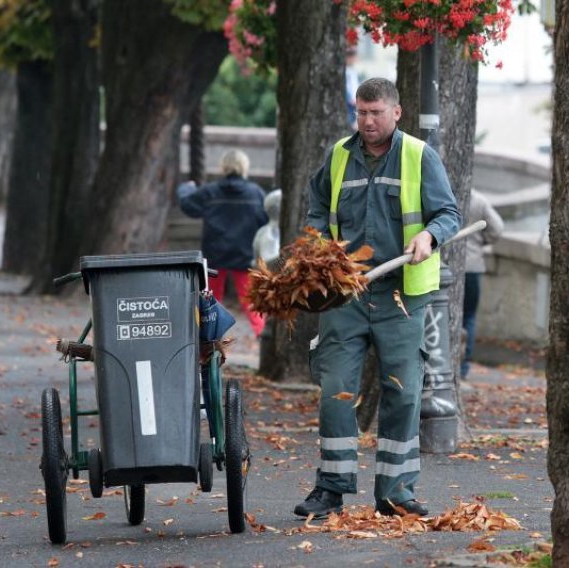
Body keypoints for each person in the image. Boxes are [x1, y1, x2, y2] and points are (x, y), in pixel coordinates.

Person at [295, 78, 461, 519]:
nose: (367, 121)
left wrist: (429, 234)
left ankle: (396, 492)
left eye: (376, 113)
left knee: (403, 394)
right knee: (336, 390)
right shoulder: (338, 156)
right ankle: (330, 488)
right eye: (361, 112)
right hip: (344, 297)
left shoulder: (418, 156)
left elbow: (449, 213)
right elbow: (317, 210)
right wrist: (317, 247)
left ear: (397, 113)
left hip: (401, 297)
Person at [177, 149, 268, 337]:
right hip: (244, 255)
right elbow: (265, 219)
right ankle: (262, 336)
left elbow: (188, 204)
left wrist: (187, 187)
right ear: (245, 167)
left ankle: (208, 342)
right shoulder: (255, 193)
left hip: (214, 257)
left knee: (210, 301)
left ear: (223, 167)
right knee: (251, 302)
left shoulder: (211, 192)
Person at [462, 189, 504, 379]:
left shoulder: (446, 193)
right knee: (468, 317)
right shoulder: (479, 200)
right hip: (472, 266)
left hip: (445, 266)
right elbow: (497, 228)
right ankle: (463, 366)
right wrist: (480, 242)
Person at [345, 47, 360, 129]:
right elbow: (347, 86)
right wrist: (350, 98)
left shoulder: (352, 70)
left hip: (354, 102)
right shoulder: (345, 71)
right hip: (349, 103)